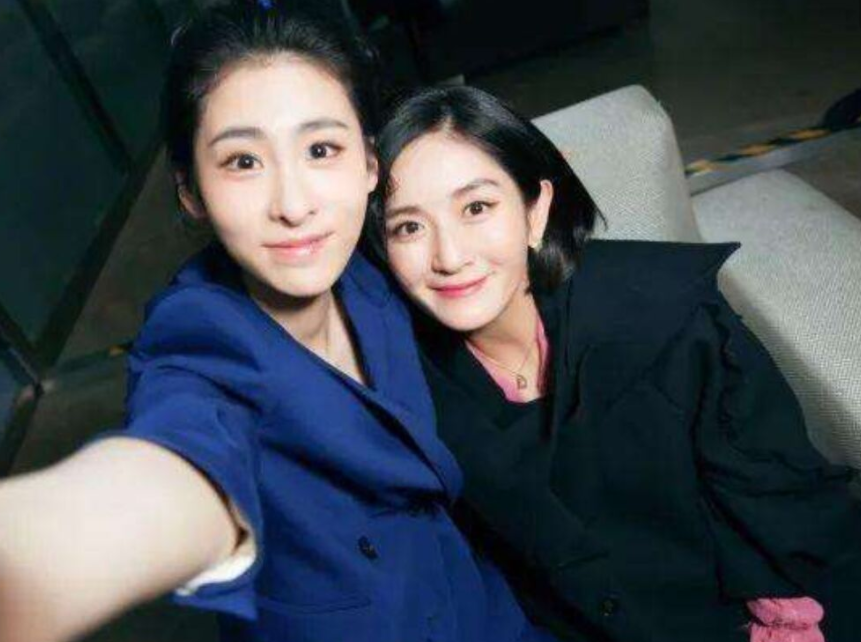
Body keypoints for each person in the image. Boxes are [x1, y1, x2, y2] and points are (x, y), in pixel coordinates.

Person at [0, 6, 562, 642]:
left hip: (482, 608)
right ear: (190, 191)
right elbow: (175, 465)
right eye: (243, 162)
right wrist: (31, 557)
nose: (293, 205)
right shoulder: (200, 342)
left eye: (321, 149)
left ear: (369, 165)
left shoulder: (370, 266)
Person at [367, 85, 861, 642]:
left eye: (476, 208)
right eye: (409, 227)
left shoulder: (666, 318)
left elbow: (785, 511)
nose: (450, 256)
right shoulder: (402, 391)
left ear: (536, 211)